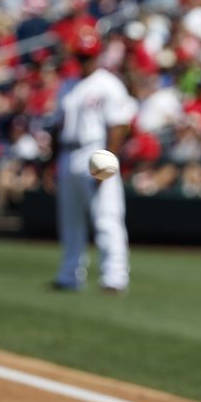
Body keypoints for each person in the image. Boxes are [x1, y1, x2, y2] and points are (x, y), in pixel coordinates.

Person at [49, 25, 137, 293]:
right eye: (80, 56)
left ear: (97, 55)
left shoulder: (108, 84)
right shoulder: (68, 86)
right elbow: (57, 126)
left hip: (95, 152)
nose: (84, 60)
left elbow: (119, 127)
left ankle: (114, 276)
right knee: (71, 219)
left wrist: (108, 162)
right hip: (68, 153)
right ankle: (69, 275)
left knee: (107, 216)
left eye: (88, 55)